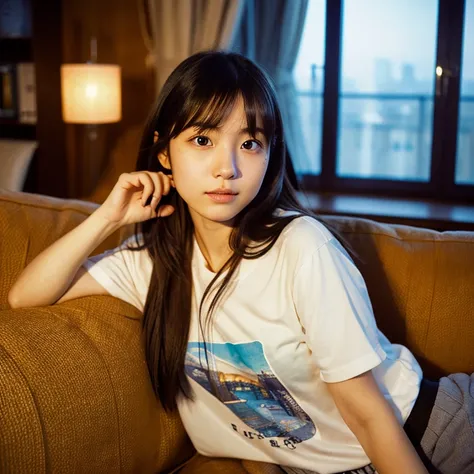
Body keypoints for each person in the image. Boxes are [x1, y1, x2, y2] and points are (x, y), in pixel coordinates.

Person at [8, 51, 473, 474]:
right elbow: (25, 295)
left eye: (249, 143)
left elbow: (369, 417)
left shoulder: (302, 247)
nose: (227, 167)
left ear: (270, 155)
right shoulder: (151, 264)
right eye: (203, 140)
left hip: (431, 435)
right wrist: (108, 215)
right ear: (164, 150)